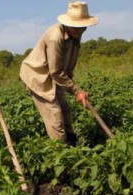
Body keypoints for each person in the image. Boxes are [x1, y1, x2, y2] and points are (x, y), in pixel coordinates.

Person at [20, 1, 99, 146]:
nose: (82, 30)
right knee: (55, 116)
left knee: (65, 111)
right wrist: (77, 91)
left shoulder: (76, 33)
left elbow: (66, 66)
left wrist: (74, 89)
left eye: (84, 26)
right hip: (38, 77)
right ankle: (61, 154)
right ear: (69, 24)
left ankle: (71, 144)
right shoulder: (55, 37)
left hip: (54, 76)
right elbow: (55, 71)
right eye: (78, 27)